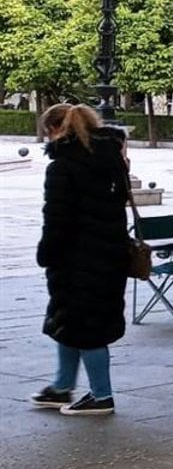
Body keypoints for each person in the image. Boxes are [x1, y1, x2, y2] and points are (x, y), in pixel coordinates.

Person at [31, 104, 131, 415]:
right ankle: (62, 387)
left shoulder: (63, 166)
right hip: (110, 254)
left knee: (87, 328)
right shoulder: (113, 159)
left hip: (76, 259)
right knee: (70, 321)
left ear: (54, 130)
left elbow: (57, 218)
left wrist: (46, 253)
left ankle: (102, 396)